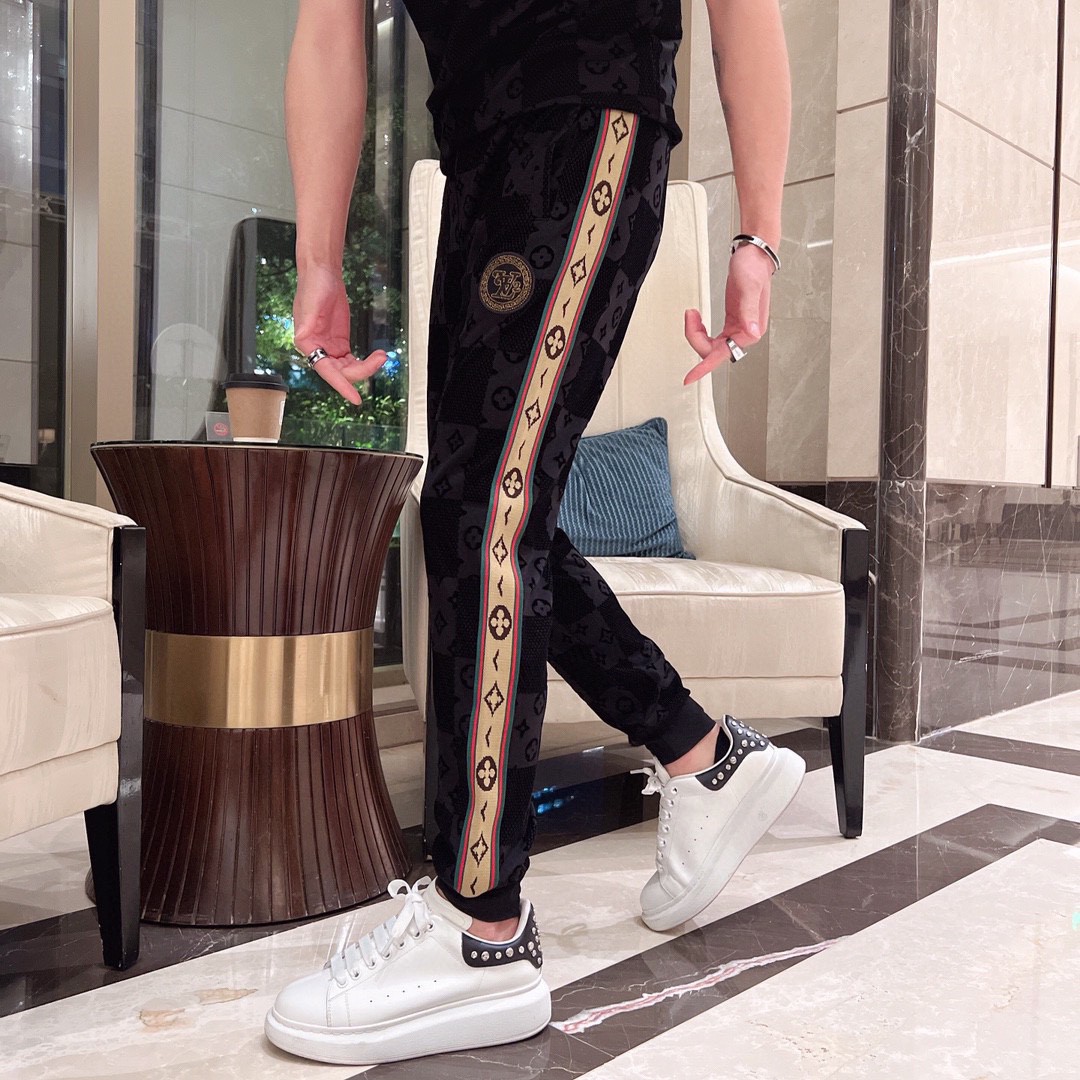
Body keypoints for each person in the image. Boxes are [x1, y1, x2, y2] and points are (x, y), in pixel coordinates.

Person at [265, 0, 798, 1066]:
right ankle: (702, 755)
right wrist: (316, 258)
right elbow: (328, 28)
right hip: (479, 150)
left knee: (483, 514)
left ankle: (483, 926)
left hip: (589, 112)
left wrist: (759, 235)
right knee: (484, 507)